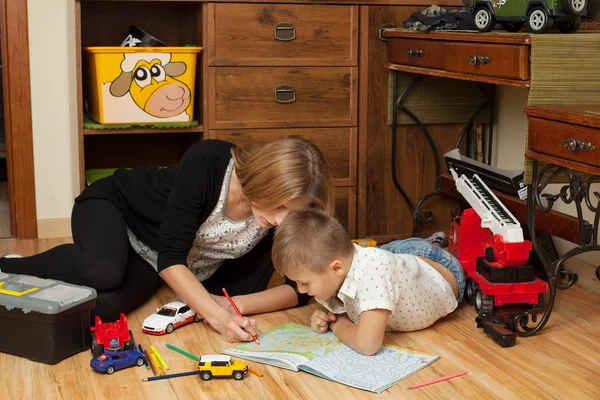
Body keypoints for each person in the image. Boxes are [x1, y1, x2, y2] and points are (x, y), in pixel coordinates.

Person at [0, 138, 334, 343]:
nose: (280, 221)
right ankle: (10, 266)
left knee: (104, 308)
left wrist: (233, 305)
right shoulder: (208, 161)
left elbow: (299, 289)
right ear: (264, 181)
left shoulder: (284, 219)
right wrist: (219, 319)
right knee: (101, 269)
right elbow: (172, 257)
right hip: (116, 209)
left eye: (294, 212)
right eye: (277, 206)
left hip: (152, 254)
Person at [272, 209, 465, 355]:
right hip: (387, 260)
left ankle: (433, 242)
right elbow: (347, 305)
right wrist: (326, 314)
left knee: (390, 257)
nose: (301, 290)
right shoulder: (336, 273)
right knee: (385, 257)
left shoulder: (376, 272)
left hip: (438, 267)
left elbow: (367, 344)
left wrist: (337, 322)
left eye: (305, 283)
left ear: (336, 268)